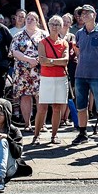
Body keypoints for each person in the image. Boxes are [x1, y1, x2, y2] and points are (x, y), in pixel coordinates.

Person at [71, 5, 98, 146]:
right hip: (81, 74)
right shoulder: (79, 33)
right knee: (81, 106)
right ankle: (83, 134)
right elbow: (77, 49)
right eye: (81, 13)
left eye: (86, 13)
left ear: (94, 14)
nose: (83, 15)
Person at [34, 15, 69, 144]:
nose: (54, 27)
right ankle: (36, 135)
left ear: (61, 27)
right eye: (52, 24)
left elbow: (65, 61)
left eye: (57, 24)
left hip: (61, 78)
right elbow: (42, 61)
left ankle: (54, 135)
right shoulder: (42, 42)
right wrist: (56, 62)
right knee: (42, 107)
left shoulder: (64, 43)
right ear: (48, 26)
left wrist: (51, 61)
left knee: (57, 108)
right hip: (46, 77)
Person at [10, 12, 46, 130]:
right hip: (22, 71)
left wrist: (37, 60)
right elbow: (14, 51)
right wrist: (28, 59)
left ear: (37, 21)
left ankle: (41, 124)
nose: (29, 21)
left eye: (32, 19)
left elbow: (48, 51)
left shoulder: (43, 35)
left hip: (39, 70)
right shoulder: (18, 35)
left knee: (40, 96)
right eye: (28, 19)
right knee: (25, 96)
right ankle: (27, 124)